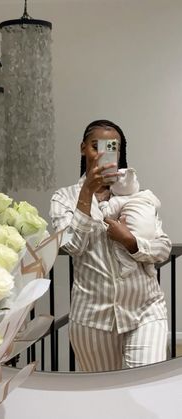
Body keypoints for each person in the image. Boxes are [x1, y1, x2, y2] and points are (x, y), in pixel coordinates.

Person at [50, 119, 172, 372]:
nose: (102, 153)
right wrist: (86, 194)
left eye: (111, 146)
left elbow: (162, 248)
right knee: (104, 398)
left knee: (145, 389)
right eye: (96, 146)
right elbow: (73, 246)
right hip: (93, 319)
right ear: (83, 148)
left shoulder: (136, 194)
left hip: (145, 311)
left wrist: (130, 241)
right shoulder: (63, 198)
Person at [101, 167, 161, 279]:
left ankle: (128, 264)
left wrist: (103, 204)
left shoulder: (118, 200)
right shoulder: (146, 194)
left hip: (133, 233)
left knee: (118, 245)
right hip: (151, 234)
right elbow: (157, 204)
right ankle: (149, 266)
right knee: (148, 247)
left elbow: (108, 214)